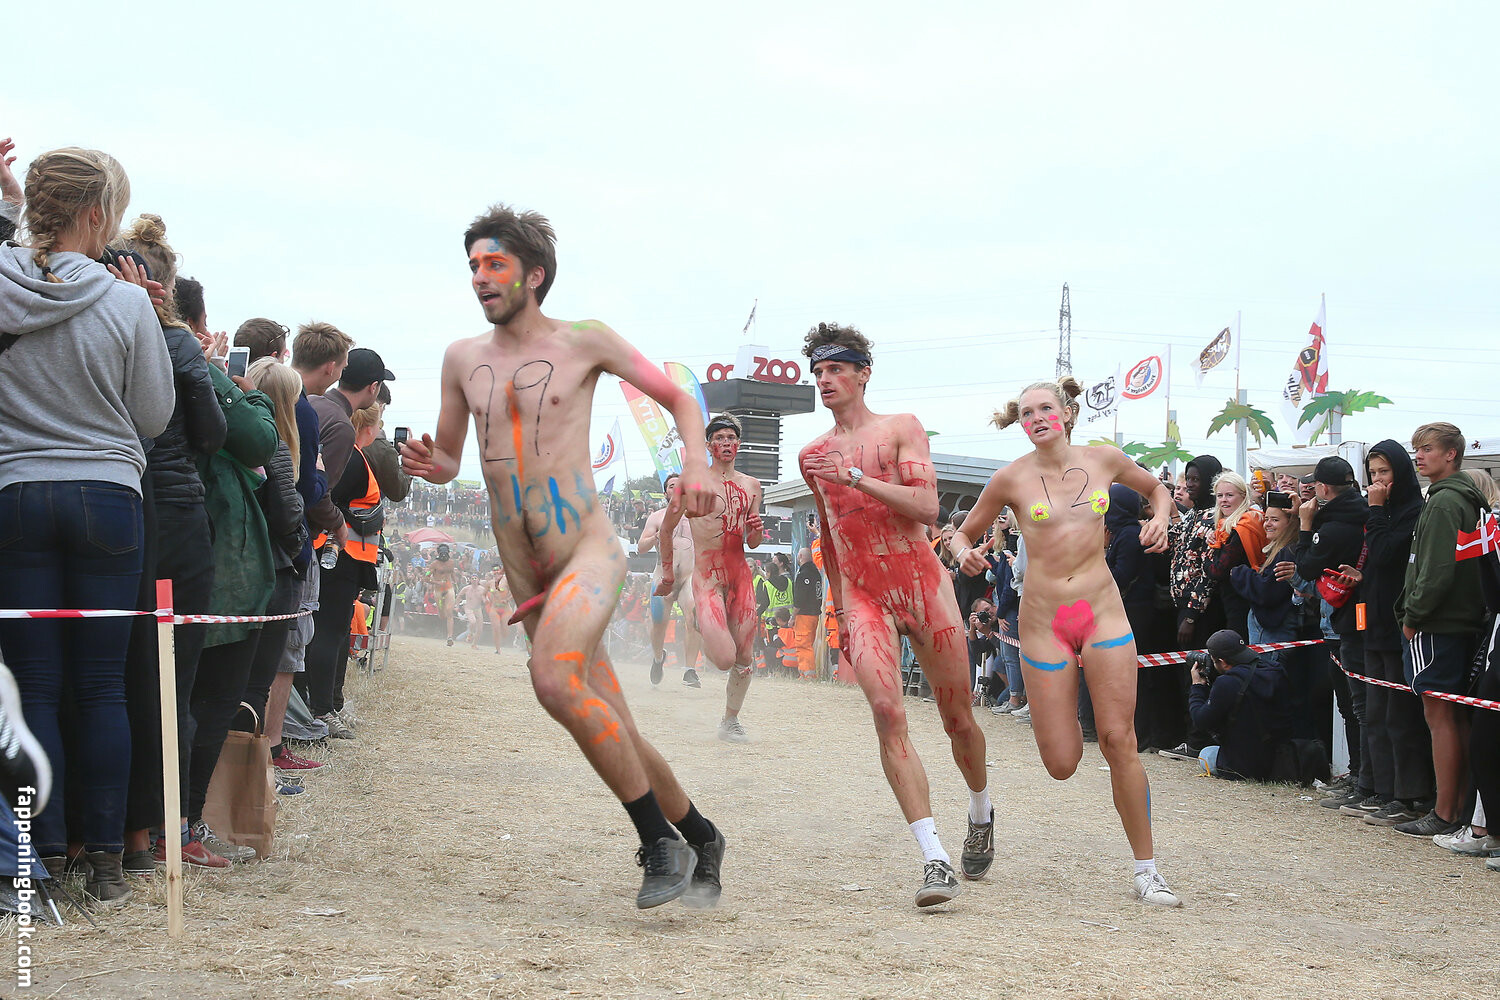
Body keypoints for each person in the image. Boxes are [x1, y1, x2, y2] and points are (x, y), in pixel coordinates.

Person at [400, 202, 724, 910]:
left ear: (535, 275)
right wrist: (430, 463)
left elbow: (678, 398)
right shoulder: (461, 358)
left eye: (495, 264)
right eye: (473, 266)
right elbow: (452, 459)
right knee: (610, 720)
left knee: (553, 681)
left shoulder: (585, 339)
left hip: (587, 552)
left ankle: (657, 841)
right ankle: (702, 836)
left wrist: (697, 463)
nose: (480, 277)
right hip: (529, 576)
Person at [0, 148, 173, 904]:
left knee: (33, 688)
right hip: (106, 494)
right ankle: (104, 861)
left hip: (15, 491)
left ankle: (36, 858)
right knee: (103, 685)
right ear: (98, 214)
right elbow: (153, 416)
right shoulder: (126, 303)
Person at [955, 376, 1182, 907]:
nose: (1036, 418)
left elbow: (1157, 490)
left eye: (1045, 408)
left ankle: (1147, 870)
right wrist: (964, 552)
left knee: (1119, 739)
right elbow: (963, 532)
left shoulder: (1104, 459)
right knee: (1061, 762)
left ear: (1067, 413)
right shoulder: (1011, 478)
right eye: (1026, 413)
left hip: (1102, 614)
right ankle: (1057, 732)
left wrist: (1161, 519)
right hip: (1044, 625)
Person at [796, 322, 990, 907]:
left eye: (835, 369)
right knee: (886, 711)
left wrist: (857, 477)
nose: (824, 380)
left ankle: (980, 809)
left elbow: (927, 507)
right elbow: (830, 533)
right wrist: (840, 607)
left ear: (863, 374)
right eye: (818, 372)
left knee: (958, 719)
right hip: (862, 594)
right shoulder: (811, 455)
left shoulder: (902, 427)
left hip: (922, 585)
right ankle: (934, 858)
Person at [1393, 422, 1488, 839]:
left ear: (1451, 454)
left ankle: (1446, 811)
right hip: (1454, 621)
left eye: (1427, 448)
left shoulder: (1447, 500)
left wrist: (1413, 617)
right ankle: (1457, 809)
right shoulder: (1456, 496)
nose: (1419, 456)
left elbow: (1435, 570)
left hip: (1437, 623)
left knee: (1441, 716)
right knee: (1451, 715)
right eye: (1416, 449)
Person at [657, 413, 766, 744]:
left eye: (731, 438)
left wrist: (756, 530)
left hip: (740, 575)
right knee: (723, 659)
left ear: (738, 444)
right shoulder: (694, 484)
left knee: (744, 659)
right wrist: (666, 572)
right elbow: (665, 530)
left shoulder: (752, 485)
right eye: (719, 438)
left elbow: (753, 542)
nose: (726, 443)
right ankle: (700, 621)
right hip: (707, 576)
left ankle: (730, 721)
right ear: (709, 446)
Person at [305, 346, 391, 735]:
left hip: (334, 553)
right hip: (336, 554)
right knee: (329, 633)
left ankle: (322, 706)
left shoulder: (321, 412)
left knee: (329, 633)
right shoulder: (346, 441)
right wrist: (340, 525)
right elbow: (323, 493)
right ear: (372, 388)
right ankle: (320, 710)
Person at [1188, 630, 1291, 780]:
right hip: (1279, 759)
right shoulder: (1276, 671)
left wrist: (1197, 686)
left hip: (1244, 764)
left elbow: (1200, 720)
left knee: (1206, 754)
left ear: (1223, 662)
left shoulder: (1227, 683)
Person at [637, 473, 702, 687]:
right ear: (665, 493)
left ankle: (690, 671)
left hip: (689, 576)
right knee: (658, 623)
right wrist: (656, 536)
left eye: (680, 485)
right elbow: (641, 547)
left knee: (693, 618)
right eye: (671, 486)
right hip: (663, 576)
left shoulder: (697, 517)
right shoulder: (656, 517)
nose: (676, 488)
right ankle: (658, 658)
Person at [792, 546, 823, 679]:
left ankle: (807, 674)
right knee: (808, 644)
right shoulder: (816, 573)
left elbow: (799, 598)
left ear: (800, 557)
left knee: (803, 645)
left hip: (804, 615)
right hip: (814, 614)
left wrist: (793, 616)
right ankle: (808, 674)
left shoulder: (803, 574)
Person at [428, 544, 458, 645]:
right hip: (438, 591)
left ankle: (450, 637)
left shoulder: (451, 563)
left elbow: (452, 573)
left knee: (449, 612)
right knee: (442, 615)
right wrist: (436, 582)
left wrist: (456, 582)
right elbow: (426, 577)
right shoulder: (434, 564)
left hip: (449, 588)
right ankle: (440, 611)